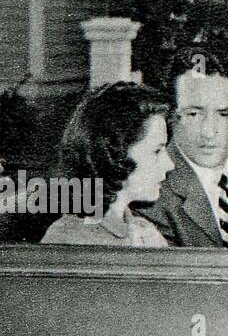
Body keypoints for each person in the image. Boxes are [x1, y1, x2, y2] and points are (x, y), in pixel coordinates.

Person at [42, 82, 173, 247]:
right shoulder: (68, 239)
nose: (169, 164)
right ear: (115, 153)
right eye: (157, 151)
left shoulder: (145, 231)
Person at [141, 47, 228, 249]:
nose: (209, 132)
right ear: (170, 115)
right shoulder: (148, 193)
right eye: (193, 114)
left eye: (225, 115)